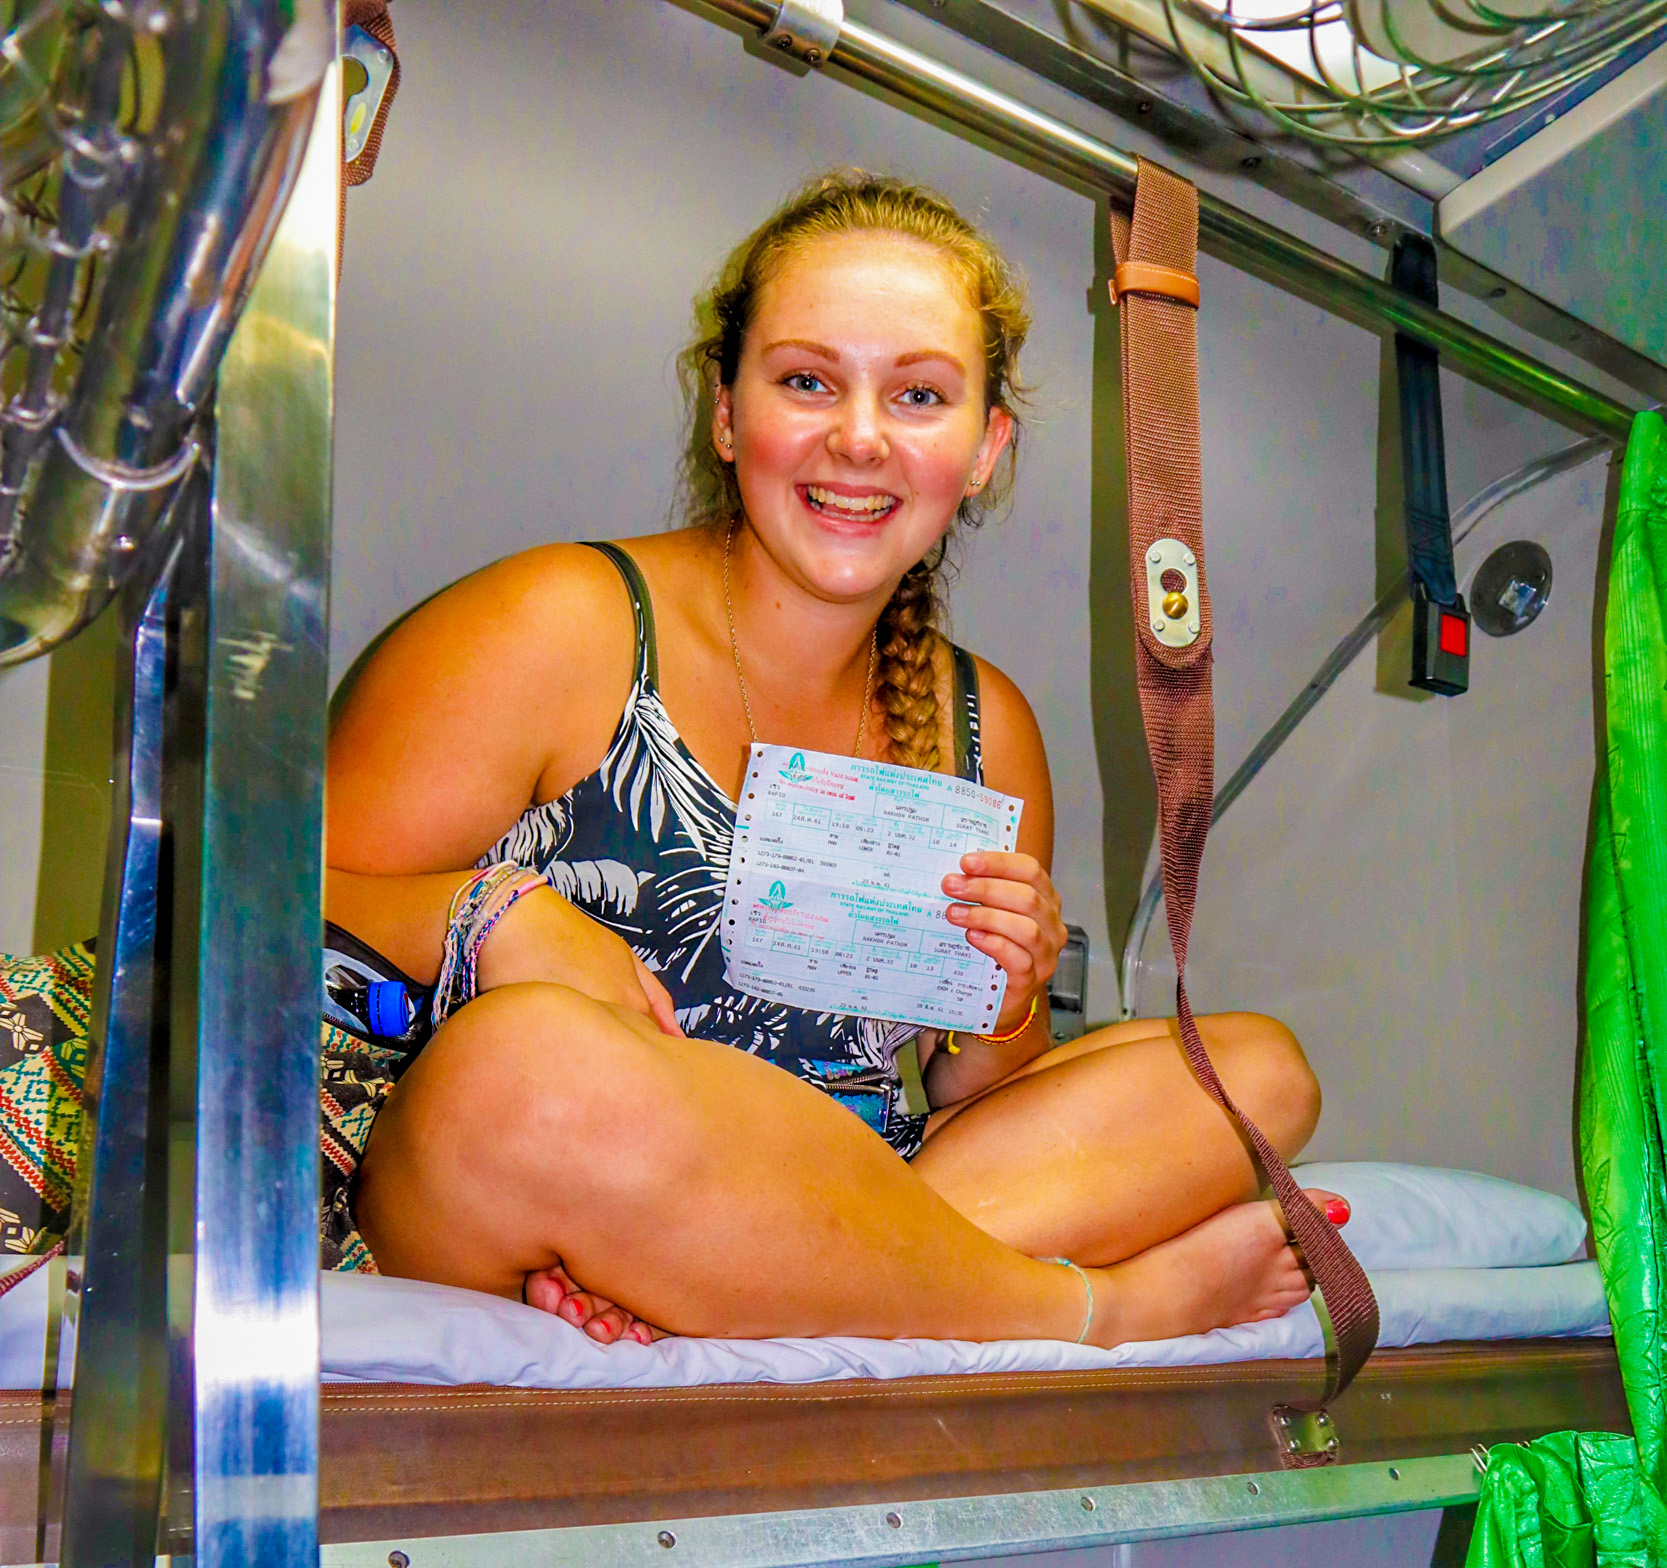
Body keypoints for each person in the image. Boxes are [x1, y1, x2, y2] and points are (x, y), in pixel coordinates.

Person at [324, 173, 1346, 1350]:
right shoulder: (558, 624)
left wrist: (1005, 1000)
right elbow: (237, 905)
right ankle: (1088, 1312)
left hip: (840, 1188)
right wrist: (488, 914)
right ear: (724, 412)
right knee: (526, 1071)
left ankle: (739, 1285)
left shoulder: (985, 727)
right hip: (507, 1176)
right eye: (806, 381)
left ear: (981, 449)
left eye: (918, 395)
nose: (858, 438)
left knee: (1252, 1073)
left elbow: (980, 1102)